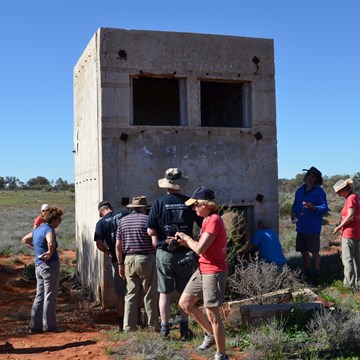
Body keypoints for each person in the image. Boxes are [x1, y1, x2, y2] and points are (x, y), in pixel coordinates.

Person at [147, 168, 202, 339]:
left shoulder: (158, 203)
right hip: (186, 251)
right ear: (180, 184)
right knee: (185, 292)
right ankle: (184, 327)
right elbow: (203, 225)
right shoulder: (189, 202)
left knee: (164, 293)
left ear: (166, 184)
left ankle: (164, 328)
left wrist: (156, 241)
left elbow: (150, 229)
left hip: (164, 253)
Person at [175, 186, 228, 360]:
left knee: (212, 313)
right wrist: (184, 243)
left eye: (196, 204)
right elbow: (203, 248)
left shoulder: (213, 220)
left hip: (213, 271)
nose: (194, 208)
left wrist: (187, 239)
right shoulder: (205, 220)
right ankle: (210, 334)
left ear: (206, 204)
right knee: (185, 303)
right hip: (203, 268)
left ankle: (221, 354)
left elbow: (200, 248)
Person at [115, 196, 159, 332]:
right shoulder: (148, 220)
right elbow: (154, 243)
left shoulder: (122, 221)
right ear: (144, 208)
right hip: (146, 258)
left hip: (128, 259)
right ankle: (152, 326)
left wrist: (120, 264)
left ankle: (128, 327)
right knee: (150, 294)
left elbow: (118, 245)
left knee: (130, 294)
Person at [21, 206, 64, 333]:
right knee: (50, 296)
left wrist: (37, 250)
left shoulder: (38, 229)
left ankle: (34, 326)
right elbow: (51, 243)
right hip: (50, 266)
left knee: (39, 295)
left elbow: (24, 239)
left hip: (38, 265)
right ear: (54, 219)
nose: (59, 222)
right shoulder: (49, 229)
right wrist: (49, 254)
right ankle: (50, 326)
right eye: (59, 219)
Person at [291, 166, 328, 285]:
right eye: (308, 175)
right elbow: (294, 205)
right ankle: (307, 273)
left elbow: (324, 208)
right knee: (303, 251)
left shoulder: (319, 192)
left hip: (312, 227)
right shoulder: (300, 190)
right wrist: (293, 214)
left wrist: (313, 207)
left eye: (312, 176)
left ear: (316, 179)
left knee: (314, 251)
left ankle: (316, 275)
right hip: (301, 226)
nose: (309, 177)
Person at [94, 200, 128, 331]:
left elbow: (99, 244)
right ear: (111, 208)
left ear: (100, 212)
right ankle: (137, 319)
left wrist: (109, 251)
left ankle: (121, 323)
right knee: (135, 289)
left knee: (121, 293)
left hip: (117, 259)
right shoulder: (124, 213)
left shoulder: (101, 223)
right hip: (131, 255)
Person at [333, 178, 360, 289]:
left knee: (347, 259)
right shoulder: (356, 197)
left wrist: (339, 227)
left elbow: (350, 216)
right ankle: (357, 282)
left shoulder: (351, 198)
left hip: (349, 233)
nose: (339, 195)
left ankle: (349, 285)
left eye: (339, 192)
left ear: (345, 189)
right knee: (355, 258)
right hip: (355, 232)